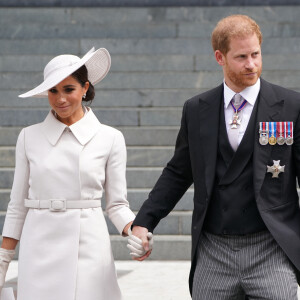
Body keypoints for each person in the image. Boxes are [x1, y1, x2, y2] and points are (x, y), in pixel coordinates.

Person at [129, 14, 300, 299]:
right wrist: (144, 221)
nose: (252, 64)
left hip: (271, 247)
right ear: (220, 57)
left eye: (256, 54)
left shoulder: (291, 106)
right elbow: (178, 172)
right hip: (213, 251)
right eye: (241, 56)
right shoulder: (197, 109)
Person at [0, 47, 136, 300]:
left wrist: (135, 230)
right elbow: (17, 205)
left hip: (89, 245)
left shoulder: (110, 138)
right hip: (38, 244)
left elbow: (117, 204)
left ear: (85, 88)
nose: (60, 98)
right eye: (53, 90)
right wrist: (3, 259)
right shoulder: (28, 137)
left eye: (68, 89)